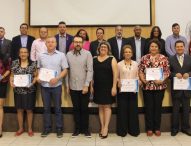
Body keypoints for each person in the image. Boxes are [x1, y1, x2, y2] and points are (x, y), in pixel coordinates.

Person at [37, 36, 68, 138]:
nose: (50, 43)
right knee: (46, 108)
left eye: (52, 42)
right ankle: (47, 128)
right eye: (48, 42)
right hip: (44, 86)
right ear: (46, 44)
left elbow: (65, 70)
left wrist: (57, 78)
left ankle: (59, 129)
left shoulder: (61, 55)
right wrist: (38, 77)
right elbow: (38, 69)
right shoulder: (41, 55)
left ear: (56, 44)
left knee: (58, 108)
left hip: (56, 86)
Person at [139, 39, 170, 136]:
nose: (153, 48)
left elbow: (167, 72)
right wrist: (144, 80)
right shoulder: (144, 58)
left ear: (159, 48)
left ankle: (157, 128)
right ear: (149, 48)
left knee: (157, 107)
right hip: (147, 87)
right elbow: (140, 71)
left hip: (159, 87)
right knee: (148, 107)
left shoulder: (163, 58)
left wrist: (162, 80)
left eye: (155, 46)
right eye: (152, 46)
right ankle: (149, 128)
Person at [66, 36, 93, 138]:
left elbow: (90, 70)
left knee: (84, 109)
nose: (77, 44)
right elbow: (67, 71)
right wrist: (67, 85)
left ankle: (85, 129)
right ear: (73, 43)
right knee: (76, 109)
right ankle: (77, 129)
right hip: (73, 86)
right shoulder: (68, 54)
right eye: (76, 42)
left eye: (79, 42)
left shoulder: (87, 54)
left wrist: (86, 85)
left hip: (84, 87)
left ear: (82, 43)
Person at [91, 41, 118, 138]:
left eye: (105, 47)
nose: (103, 48)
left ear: (108, 49)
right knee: (100, 107)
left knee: (107, 107)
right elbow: (91, 74)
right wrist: (91, 86)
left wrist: (114, 86)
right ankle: (102, 127)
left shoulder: (112, 59)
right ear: (98, 48)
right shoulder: (94, 59)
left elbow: (116, 74)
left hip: (108, 87)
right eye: (101, 47)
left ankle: (106, 128)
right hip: (97, 86)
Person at [10, 47, 37, 137]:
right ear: (19, 54)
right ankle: (20, 128)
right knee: (19, 110)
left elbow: (36, 76)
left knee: (29, 110)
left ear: (28, 54)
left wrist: (32, 83)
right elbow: (12, 75)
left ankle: (29, 129)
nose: (23, 54)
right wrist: (11, 82)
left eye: (25, 52)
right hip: (18, 91)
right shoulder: (14, 63)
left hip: (30, 90)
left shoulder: (33, 64)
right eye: (21, 52)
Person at [117, 45, 140, 137]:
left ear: (132, 54)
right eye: (126, 52)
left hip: (133, 91)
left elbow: (138, 75)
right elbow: (117, 77)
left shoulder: (136, 64)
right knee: (122, 111)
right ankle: (122, 131)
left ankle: (133, 130)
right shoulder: (119, 64)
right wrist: (118, 82)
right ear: (123, 54)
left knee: (133, 111)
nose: (128, 53)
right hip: (122, 91)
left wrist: (138, 82)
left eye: (129, 52)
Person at [169, 40, 191, 136]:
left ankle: (186, 128)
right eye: (177, 46)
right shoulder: (170, 59)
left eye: (181, 46)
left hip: (187, 89)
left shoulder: (189, 58)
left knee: (186, 110)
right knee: (175, 110)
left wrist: (189, 74)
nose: (179, 48)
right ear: (175, 48)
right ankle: (174, 128)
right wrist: (174, 74)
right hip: (176, 89)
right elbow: (167, 73)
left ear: (184, 47)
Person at [0, 27, 11, 137]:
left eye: (1, 31)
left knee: (0, 106)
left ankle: (0, 129)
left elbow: (9, 69)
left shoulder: (6, 58)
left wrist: (2, 76)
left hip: (2, 82)